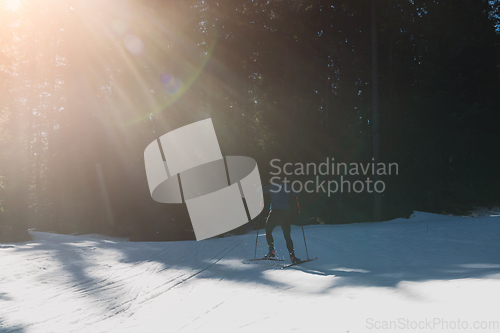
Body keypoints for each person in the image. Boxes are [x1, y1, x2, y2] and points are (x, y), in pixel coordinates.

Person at [261, 181, 301, 263]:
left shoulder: (271, 186)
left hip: (274, 212)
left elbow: (260, 191)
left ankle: (271, 251)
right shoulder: (287, 187)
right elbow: (297, 194)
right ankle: (292, 256)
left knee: (268, 231)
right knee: (287, 236)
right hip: (285, 213)